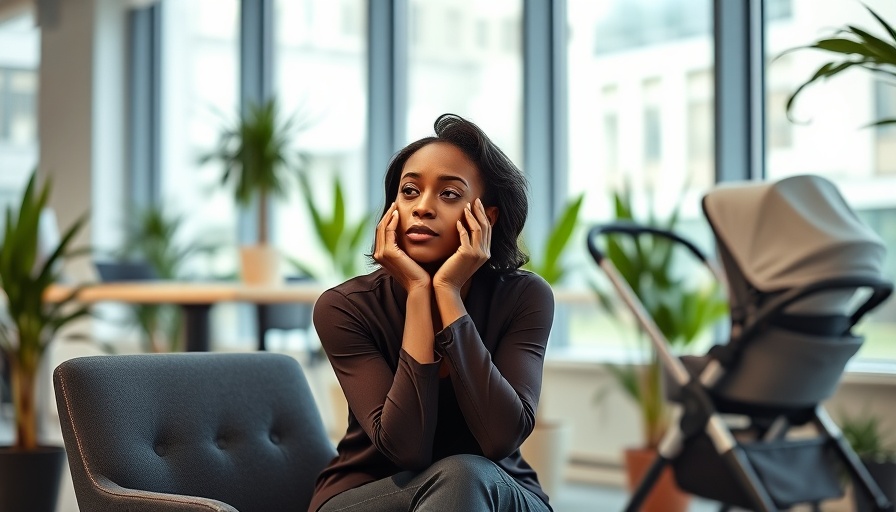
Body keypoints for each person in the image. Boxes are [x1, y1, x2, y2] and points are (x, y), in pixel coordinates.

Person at [308, 113, 555, 512]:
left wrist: (447, 291)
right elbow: (406, 449)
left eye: (449, 194)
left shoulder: (526, 297)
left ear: (486, 217)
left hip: (496, 491)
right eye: (409, 191)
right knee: (460, 476)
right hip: (373, 493)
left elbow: (499, 438)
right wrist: (420, 295)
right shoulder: (344, 308)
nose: (422, 208)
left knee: (466, 475)